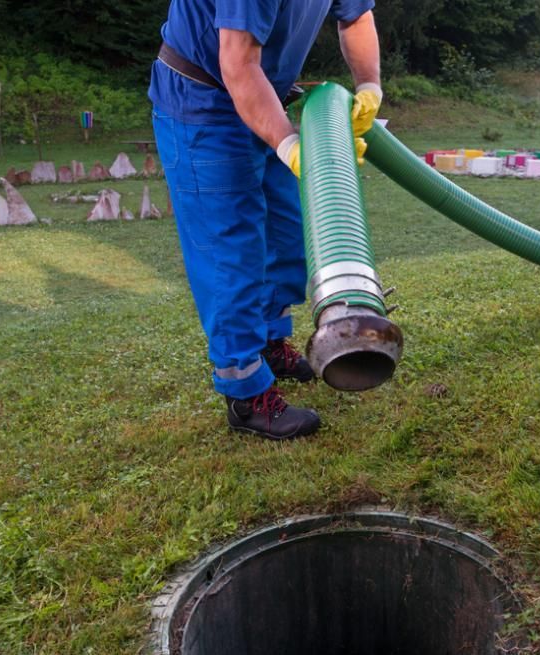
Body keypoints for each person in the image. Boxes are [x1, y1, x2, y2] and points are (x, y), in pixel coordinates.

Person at [149, 1, 383, 441]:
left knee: (286, 234)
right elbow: (237, 63)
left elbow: (356, 16)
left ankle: (270, 344)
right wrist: (289, 145)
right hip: (206, 101)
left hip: (267, 95)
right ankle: (246, 394)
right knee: (230, 252)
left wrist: (369, 86)